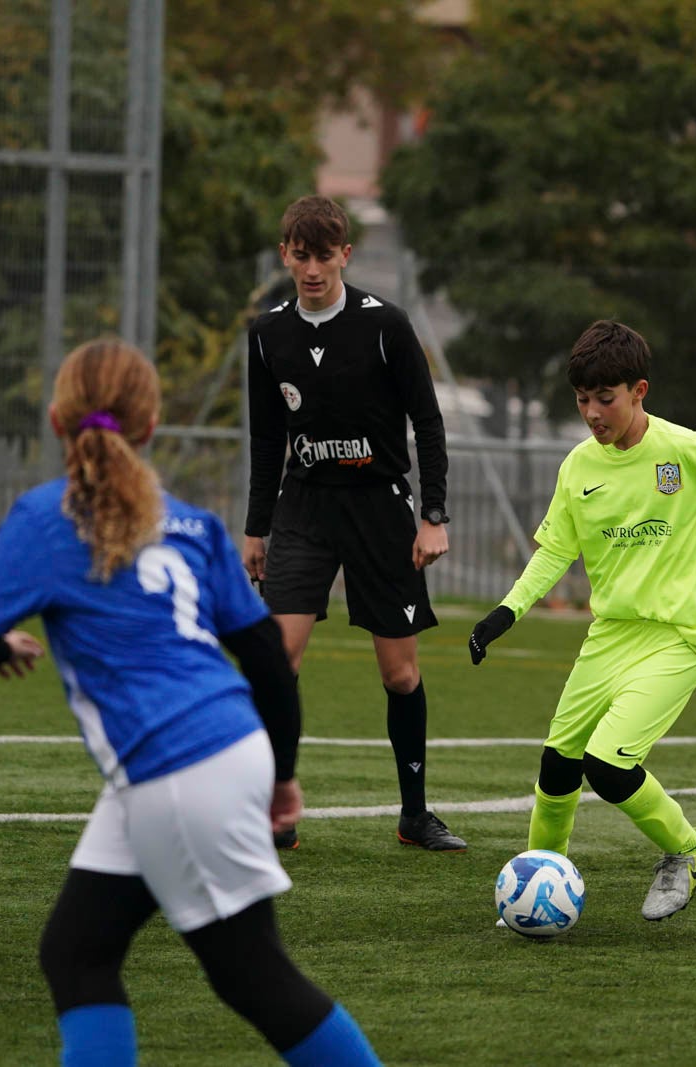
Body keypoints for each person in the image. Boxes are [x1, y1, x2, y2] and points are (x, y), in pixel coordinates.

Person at [0, 339, 380, 1066]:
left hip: (176, 768)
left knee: (253, 973)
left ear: (56, 419)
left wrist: (0, 647)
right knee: (77, 951)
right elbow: (268, 657)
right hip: (225, 745)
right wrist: (281, 772)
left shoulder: (46, 517)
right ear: (149, 428)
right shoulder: (193, 522)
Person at [468, 319, 696, 921]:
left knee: (607, 764)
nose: (592, 413)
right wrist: (506, 611)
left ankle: (688, 850)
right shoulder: (578, 467)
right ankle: (540, 888)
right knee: (557, 766)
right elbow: (554, 550)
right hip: (610, 637)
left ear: (639, 391)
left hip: (679, 637)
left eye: (605, 399)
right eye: (582, 400)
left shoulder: (683, 449)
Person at [244, 194, 463, 852]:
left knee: (399, 673)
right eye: (300, 255)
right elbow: (265, 440)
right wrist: (256, 528)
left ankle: (415, 814)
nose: (312, 268)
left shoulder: (385, 325)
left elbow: (428, 421)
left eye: (325, 255)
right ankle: (275, 808)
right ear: (286, 254)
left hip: (379, 509)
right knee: (278, 659)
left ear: (345, 254)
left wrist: (432, 516)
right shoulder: (267, 332)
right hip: (304, 507)